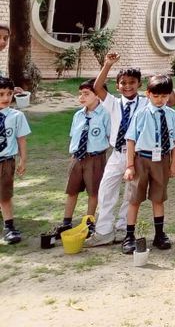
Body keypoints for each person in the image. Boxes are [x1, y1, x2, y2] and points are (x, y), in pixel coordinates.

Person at [88, 53, 163, 247]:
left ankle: (123, 229)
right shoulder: (112, 102)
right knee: (106, 190)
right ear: (117, 85)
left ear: (139, 84)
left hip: (138, 156)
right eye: (123, 83)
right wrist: (107, 65)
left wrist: (158, 80)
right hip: (118, 153)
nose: (127, 86)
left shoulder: (146, 103)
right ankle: (104, 231)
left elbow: (170, 102)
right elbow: (96, 88)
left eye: (132, 82)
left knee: (130, 194)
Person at [122, 74, 175, 254]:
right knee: (135, 199)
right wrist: (130, 165)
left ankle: (159, 234)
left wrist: (174, 163)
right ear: (148, 94)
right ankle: (129, 235)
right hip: (141, 159)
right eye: (156, 96)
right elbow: (130, 140)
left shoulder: (172, 115)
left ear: (169, 95)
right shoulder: (140, 114)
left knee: (158, 197)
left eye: (164, 96)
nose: (160, 100)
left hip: (162, 160)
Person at [55, 80, 111, 238]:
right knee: (72, 191)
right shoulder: (78, 115)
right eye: (80, 93)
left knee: (93, 192)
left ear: (98, 96)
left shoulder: (105, 115)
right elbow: (74, 135)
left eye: (86, 94)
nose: (82, 97)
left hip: (95, 158)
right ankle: (66, 222)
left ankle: (89, 223)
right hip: (77, 158)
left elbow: (109, 135)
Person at [0, 77, 29, 244]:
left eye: (9, 94)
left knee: (5, 194)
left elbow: (21, 139)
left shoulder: (17, 116)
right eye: (1, 94)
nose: (5, 98)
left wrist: (23, 160)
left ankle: (9, 227)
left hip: (6, 161)